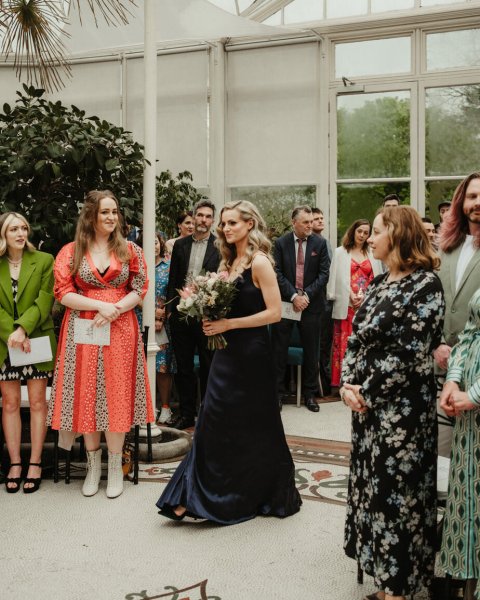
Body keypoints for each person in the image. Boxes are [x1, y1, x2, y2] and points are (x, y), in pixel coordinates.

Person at [156, 200, 302, 524]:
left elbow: (274, 313)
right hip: (226, 352)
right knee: (213, 418)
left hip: (251, 354)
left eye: (232, 222)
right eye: (224, 223)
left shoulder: (260, 262)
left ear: (250, 224)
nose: (225, 228)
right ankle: (195, 493)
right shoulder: (229, 260)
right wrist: (207, 311)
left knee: (250, 424)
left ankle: (249, 491)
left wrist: (228, 325)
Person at [341, 206, 445, 600]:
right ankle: (385, 581)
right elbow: (356, 336)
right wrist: (349, 383)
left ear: (398, 235)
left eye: (378, 230)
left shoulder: (426, 285)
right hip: (367, 409)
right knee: (373, 490)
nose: (370, 237)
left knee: (398, 497)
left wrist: (365, 391)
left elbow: (409, 353)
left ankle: (397, 589)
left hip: (402, 412)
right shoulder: (381, 281)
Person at [47, 190, 154, 499]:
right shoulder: (71, 251)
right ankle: (93, 466)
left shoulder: (130, 249)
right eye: (105, 212)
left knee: (116, 394)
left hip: (121, 329)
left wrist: (116, 309)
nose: (111, 217)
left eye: (115, 212)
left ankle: (116, 464)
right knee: (88, 393)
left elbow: (140, 287)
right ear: (91, 216)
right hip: (83, 328)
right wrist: (98, 307)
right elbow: (62, 290)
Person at [0, 212, 57, 493]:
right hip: (4, 344)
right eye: (14, 229)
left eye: (24, 228)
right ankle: (14, 462)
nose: (21, 233)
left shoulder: (44, 260)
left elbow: (45, 299)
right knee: (9, 403)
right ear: (3, 235)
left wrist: (23, 329)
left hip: (36, 341)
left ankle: (35, 462)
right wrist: (11, 333)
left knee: (37, 403)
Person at [434, 172, 480, 457]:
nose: (478, 203)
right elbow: (435, 302)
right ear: (461, 202)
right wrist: (436, 344)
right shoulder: (445, 247)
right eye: (473, 196)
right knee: (442, 449)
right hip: (440, 363)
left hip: (475, 367)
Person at [439, 287, 480, 600]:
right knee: (468, 497)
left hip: (475, 401)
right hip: (469, 420)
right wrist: (452, 380)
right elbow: (469, 332)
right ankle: (464, 578)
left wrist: (475, 394)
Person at [166, 199, 220, 430]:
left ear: (212, 220)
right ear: (194, 216)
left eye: (208, 216)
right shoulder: (180, 245)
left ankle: (208, 414)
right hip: (181, 314)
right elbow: (173, 279)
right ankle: (187, 414)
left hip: (206, 315)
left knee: (209, 366)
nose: (203, 220)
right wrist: (169, 310)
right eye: (200, 215)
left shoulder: (220, 245)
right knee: (184, 367)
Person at [271, 206, 330, 412]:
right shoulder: (280, 243)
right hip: (287, 303)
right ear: (293, 222)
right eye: (305, 222)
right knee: (279, 349)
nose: (310, 225)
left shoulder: (320, 243)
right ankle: (277, 393)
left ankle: (310, 394)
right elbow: (276, 272)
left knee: (311, 350)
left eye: (311, 221)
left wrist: (305, 296)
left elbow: (324, 275)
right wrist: (294, 296)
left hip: (311, 305)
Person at [327, 219, 382, 390]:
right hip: (347, 303)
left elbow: (378, 277)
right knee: (344, 343)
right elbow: (335, 277)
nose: (363, 235)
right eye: (360, 231)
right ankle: (343, 382)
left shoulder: (373, 253)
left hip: (368, 304)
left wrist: (366, 296)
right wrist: (350, 295)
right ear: (353, 231)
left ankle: (362, 380)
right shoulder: (340, 252)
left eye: (366, 233)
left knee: (365, 342)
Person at [153, 232, 176, 425]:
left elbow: (173, 292)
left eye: (156, 242)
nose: (153, 246)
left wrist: (161, 314)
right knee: (143, 363)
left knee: (162, 365)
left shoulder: (168, 267)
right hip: (139, 318)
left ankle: (166, 407)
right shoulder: (138, 267)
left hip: (162, 322)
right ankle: (149, 405)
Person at [312, 207, 333, 396]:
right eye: (315, 218)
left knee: (325, 344)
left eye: (321, 218)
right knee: (318, 344)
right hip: (314, 300)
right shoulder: (313, 243)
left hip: (326, 300)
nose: (319, 221)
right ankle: (319, 386)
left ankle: (325, 385)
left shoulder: (325, 243)